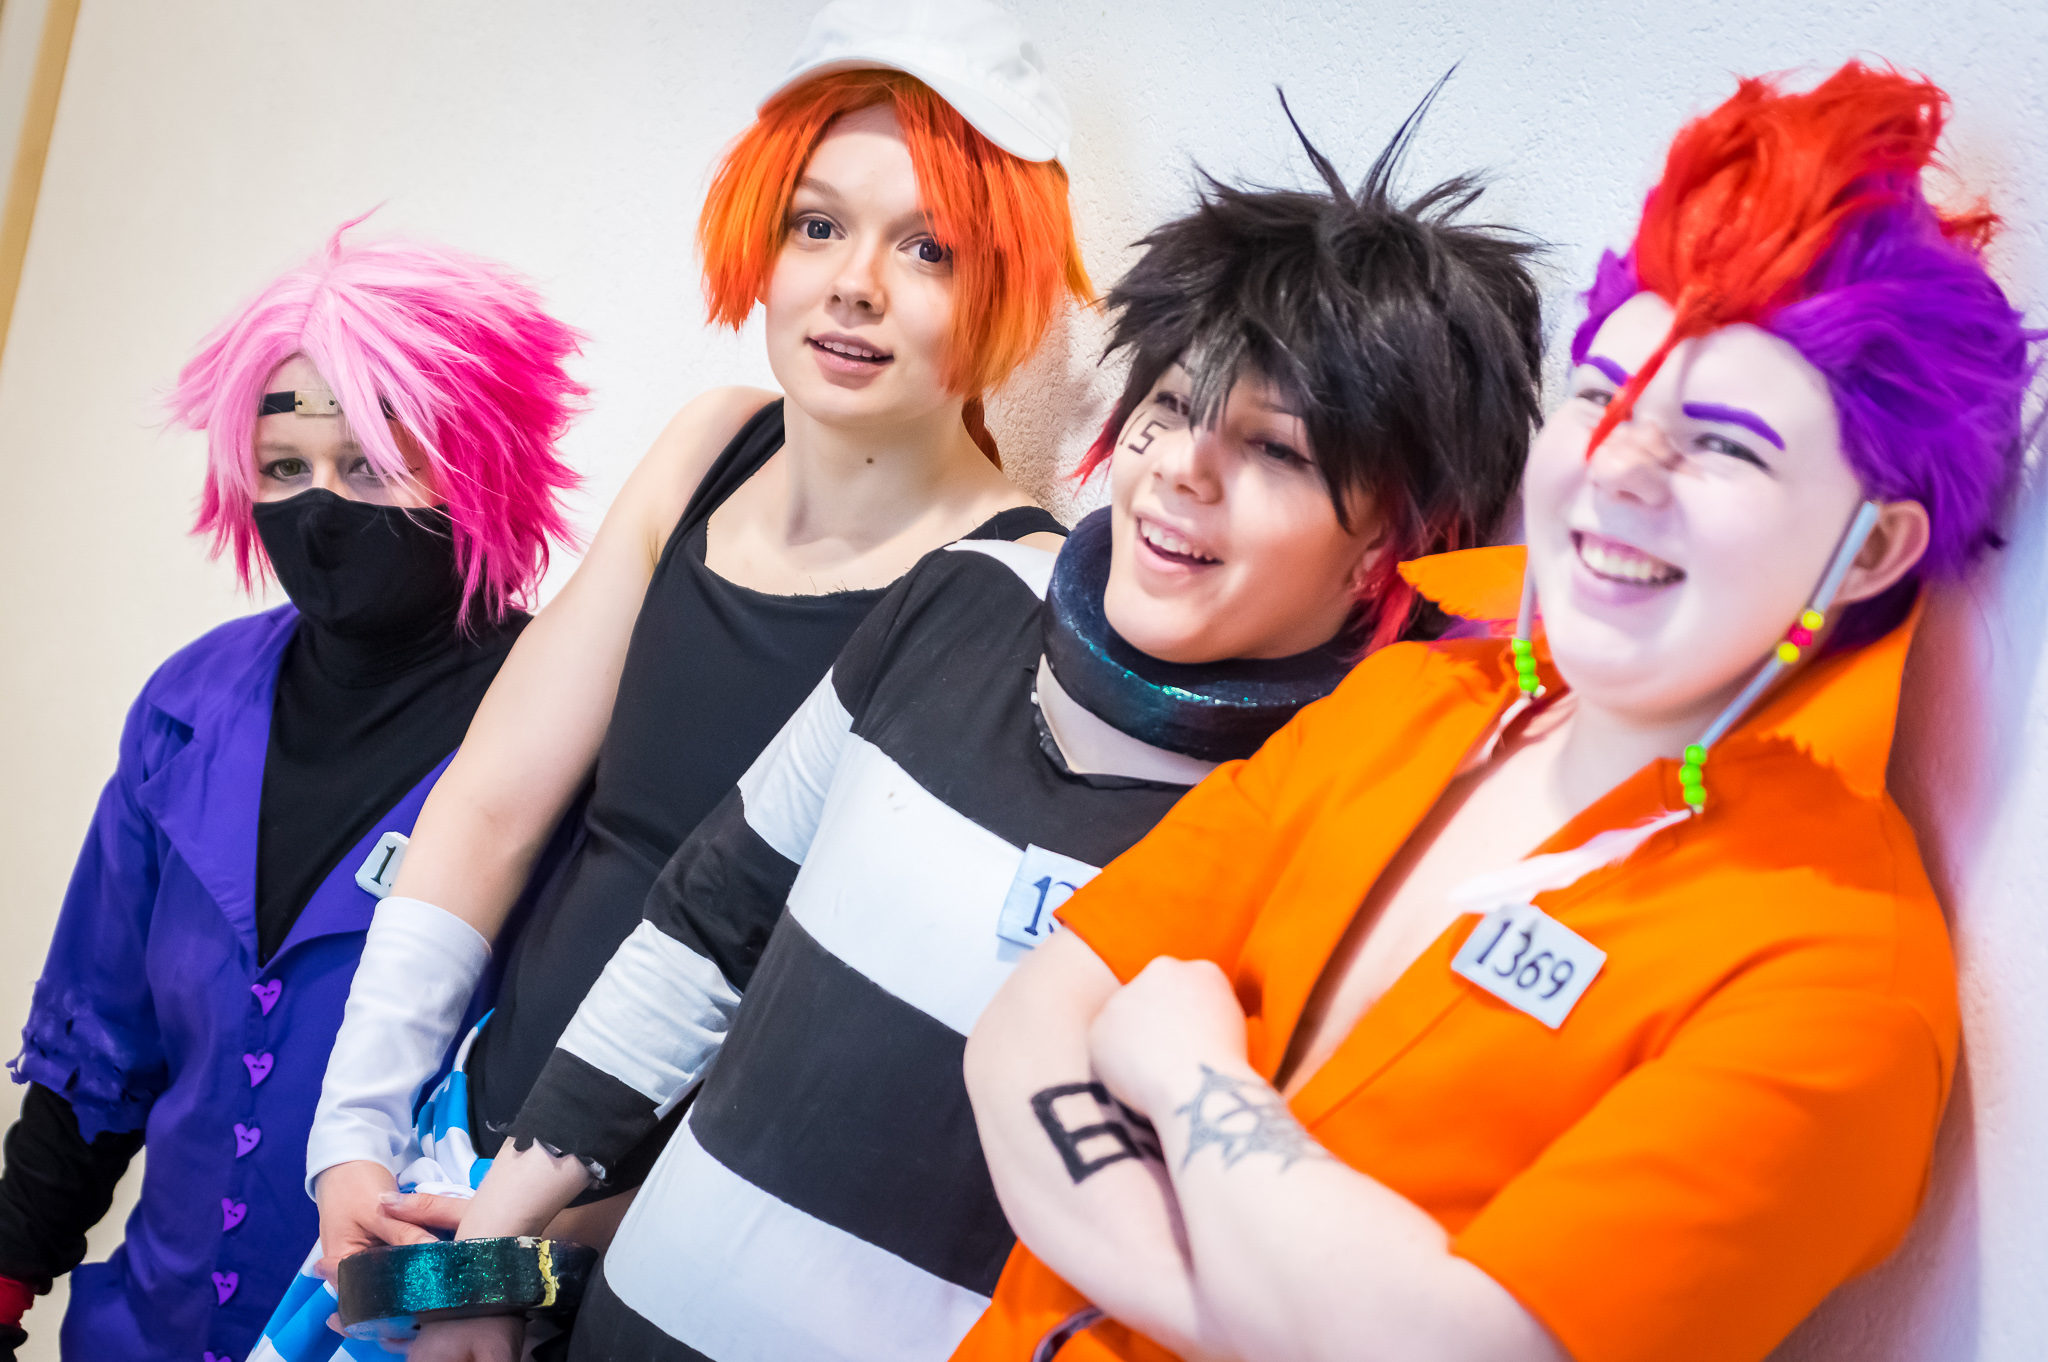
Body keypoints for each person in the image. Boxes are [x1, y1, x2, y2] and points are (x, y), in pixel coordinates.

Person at [397, 91, 1545, 1362]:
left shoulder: (1332, 814)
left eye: (1273, 452)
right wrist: (477, 1264)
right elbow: (701, 933)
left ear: (1389, 538)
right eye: (1170, 408)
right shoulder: (963, 597)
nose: (1180, 468)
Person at [954, 61, 2034, 1362]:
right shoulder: (1408, 699)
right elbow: (1021, 1043)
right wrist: (1284, 1325)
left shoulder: (1838, 975)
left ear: (1870, 552)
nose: (1624, 467)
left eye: (1725, 443)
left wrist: (1191, 1076)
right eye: (1601, 395)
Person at [281, 0, 1093, 1334]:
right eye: (817, 225)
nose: (854, 284)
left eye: (928, 248)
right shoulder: (712, 443)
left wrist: (520, 1254)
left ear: (1004, 284)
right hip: (454, 1161)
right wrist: (354, 1139)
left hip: (667, 1265)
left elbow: (843, 1040)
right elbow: (489, 807)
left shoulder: (1007, 595)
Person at [0, 224, 585, 1362]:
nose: (319, 509)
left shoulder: (558, 731)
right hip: (141, 1335)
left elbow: (585, 1128)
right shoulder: (190, 706)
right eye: (283, 469)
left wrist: (474, 1297)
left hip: (386, 1339)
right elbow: (98, 1055)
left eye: (369, 466)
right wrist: (10, 1270)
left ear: (477, 467)